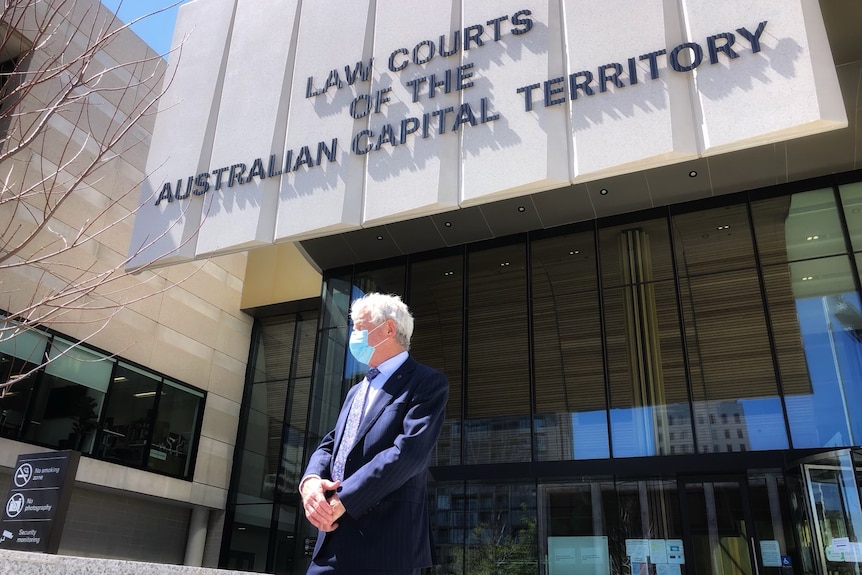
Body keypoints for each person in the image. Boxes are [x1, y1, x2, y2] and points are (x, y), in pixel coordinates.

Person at [299, 292, 449, 575]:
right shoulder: (356, 390)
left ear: (389, 329)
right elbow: (332, 443)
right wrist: (311, 482)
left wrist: (343, 499)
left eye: (359, 326)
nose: (353, 335)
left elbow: (409, 453)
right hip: (331, 542)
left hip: (385, 547)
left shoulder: (427, 383)